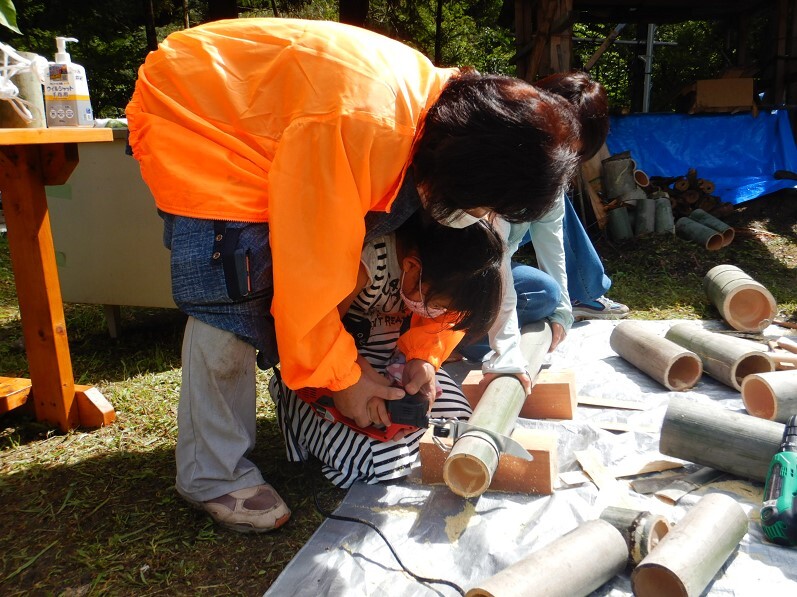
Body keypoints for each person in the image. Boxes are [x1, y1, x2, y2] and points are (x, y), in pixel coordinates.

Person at [126, 18, 582, 533]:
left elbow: (460, 270)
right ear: (474, 171)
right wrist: (340, 377)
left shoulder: (460, 127)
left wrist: (422, 355)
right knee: (232, 288)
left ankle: (299, 396)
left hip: (291, 125)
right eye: (482, 202)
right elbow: (312, 265)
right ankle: (212, 474)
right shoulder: (365, 125)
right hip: (201, 114)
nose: (477, 214)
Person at [271, 210, 503, 488]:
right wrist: (353, 383)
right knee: (376, 458)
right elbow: (314, 335)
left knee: (457, 423)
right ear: (412, 267)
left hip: (389, 364)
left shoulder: (441, 273)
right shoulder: (368, 261)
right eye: (438, 305)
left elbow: (434, 331)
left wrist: (422, 361)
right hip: (326, 376)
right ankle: (295, 410)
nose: (439, 313)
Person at [456, 71, 627, 389]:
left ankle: (458, 335)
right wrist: (505, 349)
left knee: (545, 294)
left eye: (572, 152)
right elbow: (495, 255)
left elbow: (552, 243)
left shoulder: (553, 178)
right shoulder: (500, 162)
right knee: (490, 321)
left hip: (494, 268)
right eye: (556, 142)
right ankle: (449, 335)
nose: (560, 159)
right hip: (456, 267)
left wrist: (562, 311)